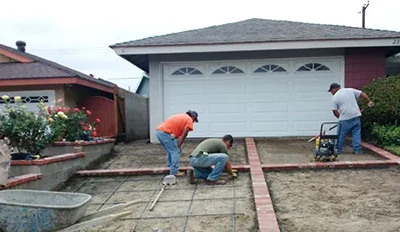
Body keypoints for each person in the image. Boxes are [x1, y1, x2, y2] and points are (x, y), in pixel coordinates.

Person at [328, 83, 374, 155]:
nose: (331, 93)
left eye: (331, 91)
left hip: (344, 119)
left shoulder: (335, 97)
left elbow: (335, 111)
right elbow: (362, 93)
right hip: (356, 116)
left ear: (334, 89)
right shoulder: (350, 90)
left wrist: (340, 118)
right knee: (356, 134)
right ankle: (357, 150)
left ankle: (338, 150)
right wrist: (369, 101)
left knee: (341, 135)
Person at [156, 110, 199, 176]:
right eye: (194, 120)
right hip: (165, 133)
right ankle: (174, 171)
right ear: (193, 116)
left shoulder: (181, 116)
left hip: (160, 132)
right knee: (175, 151)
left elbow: (174, 128)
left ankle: (170, 168)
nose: (193, 122)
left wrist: (177, 142)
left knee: (170, 151)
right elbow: (185, 133)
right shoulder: (189, 119)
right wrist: (179, 144)